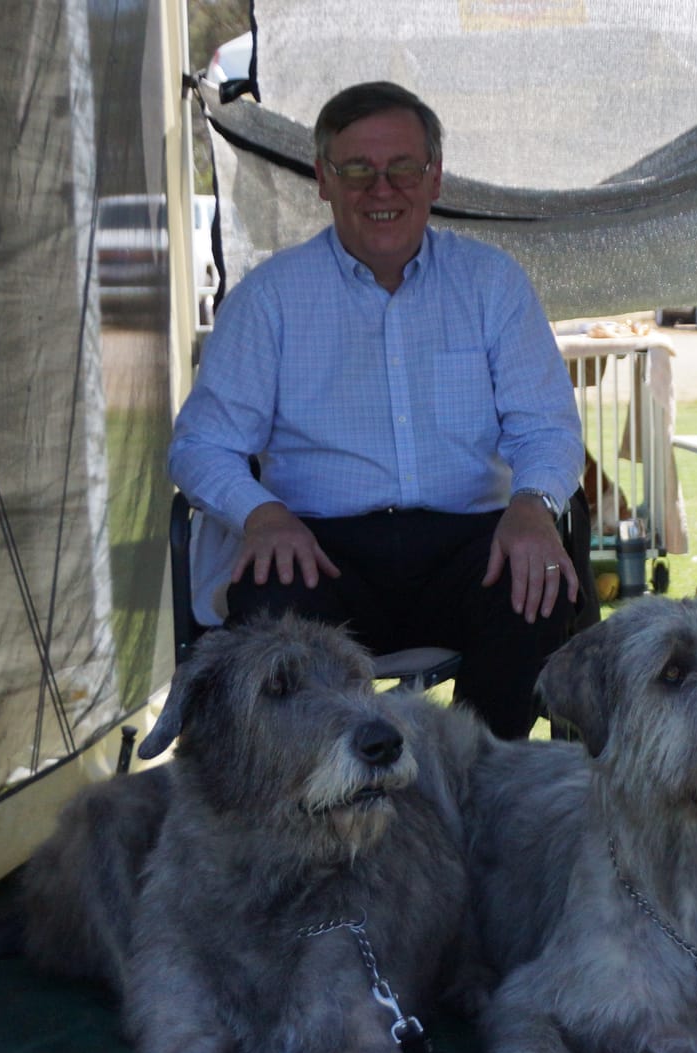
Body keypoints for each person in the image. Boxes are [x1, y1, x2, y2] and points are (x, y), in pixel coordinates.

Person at [169, 82, 585, 739]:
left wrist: (533, 504)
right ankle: (318, 803)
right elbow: (200, 444)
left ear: (435, 176)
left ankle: (473, 785)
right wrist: (262, 514)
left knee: (538, 582)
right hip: (319, 547)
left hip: (466, 541)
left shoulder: (492, 282)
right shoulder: (271, 297)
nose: (381, 189)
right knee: (268, 604)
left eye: (403, 169)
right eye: (358, 169)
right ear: (323, 180)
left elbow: (546, 425)